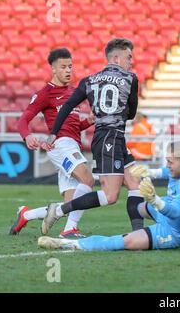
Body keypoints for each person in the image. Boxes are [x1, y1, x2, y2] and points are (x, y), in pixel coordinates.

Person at [39, 38, 142, 235]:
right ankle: (59, 210)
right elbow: (131, 114)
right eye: (129, 57)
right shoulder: (131, 78)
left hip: (108, 138)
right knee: (111, 196)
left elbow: (68, 106)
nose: (132, 61)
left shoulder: (89, 80)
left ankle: (139, 233)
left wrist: (53, 133)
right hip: (110, 139)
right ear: (117, 58)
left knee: (134, 184)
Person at [37, 140, 180, 251]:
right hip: (167, 212)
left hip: (174, 230)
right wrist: (149, 172)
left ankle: (68, 244)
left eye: (170, 162)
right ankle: (140, 231)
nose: (167, 165)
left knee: (125, 242)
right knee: (139, 207)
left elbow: (176, 211)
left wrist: (154, 200)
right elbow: (168, 172)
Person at [9, 48, 95, 238]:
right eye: (63, 67)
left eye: (70, 66)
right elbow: (22, 120)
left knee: (71, 204)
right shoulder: (45, 94)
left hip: (73, 144)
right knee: (88, 180)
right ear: (53, 69)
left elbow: (72, 125)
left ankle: (26, 214)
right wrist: (28, 136)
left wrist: (88, 121)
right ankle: (70, 230)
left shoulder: (74, 92)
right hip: (60, 145)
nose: (68, 70)